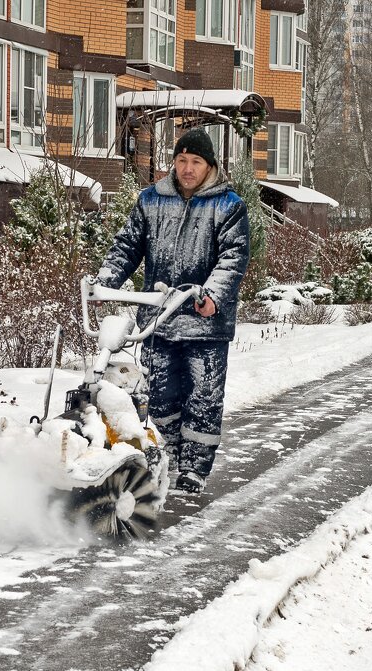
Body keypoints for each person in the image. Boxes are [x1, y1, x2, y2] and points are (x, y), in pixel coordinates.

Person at [96, 127, 250, 495]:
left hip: (204, 320)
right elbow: (128, 244)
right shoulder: (151, 200)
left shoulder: (228, 205)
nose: (187, 168)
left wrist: (212, 294)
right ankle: (172, 455)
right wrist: (107, 280)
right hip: (159, 319)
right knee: (161, 395)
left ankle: (195, 468)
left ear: (209, 165)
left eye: (195, 161)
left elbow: (233, 257)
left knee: (203, 395)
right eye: (181, 160)